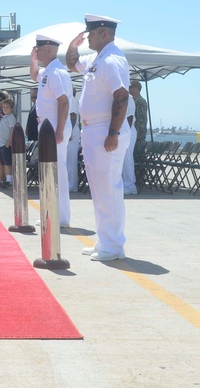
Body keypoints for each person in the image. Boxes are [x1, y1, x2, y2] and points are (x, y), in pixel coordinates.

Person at [66, 14, 130, 262]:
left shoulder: (112, 60)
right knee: (99, 189)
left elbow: (121, 97)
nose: (88, 37)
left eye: (91, 34)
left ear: (105, 33)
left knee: (109, 189)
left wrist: (113, 133)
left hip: (106, 129)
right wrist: (74, 44)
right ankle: (105, 240)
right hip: (93, 129)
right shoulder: (96, 58)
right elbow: (72, 64)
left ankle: (114, 246)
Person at [30, 33, 72, 225]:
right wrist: (33, 60)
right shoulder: (48, 71)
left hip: (55, 124)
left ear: (48, 50)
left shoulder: (56, 72)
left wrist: (60, 131)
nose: (36, 52)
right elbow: (33, 75)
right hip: (47, 125)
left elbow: (63, 103)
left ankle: (61, 217)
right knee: (48, 171)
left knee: (57, 172)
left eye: (38, 49)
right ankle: (50, 212)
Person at [0, 99, 16, 188]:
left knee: (8, 163)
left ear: (11, 109)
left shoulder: (11, 118)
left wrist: (8, 142)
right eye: (4, 107)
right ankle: (5, 178)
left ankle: (9, 180)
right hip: (1, 143)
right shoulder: (4, 117)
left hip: (6, 143)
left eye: (7, 107)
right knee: (3, 162)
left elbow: (12, 130)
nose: (5, 109)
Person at [130, 81, 148, 166]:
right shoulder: (132, 100)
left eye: (132, 87)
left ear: (137, 89)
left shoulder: (140, 101)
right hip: (133, 133)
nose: (130, 89)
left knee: (138, 158)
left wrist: (139, 132)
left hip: (138, 134)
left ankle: (140, 177)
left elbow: (141, 119)